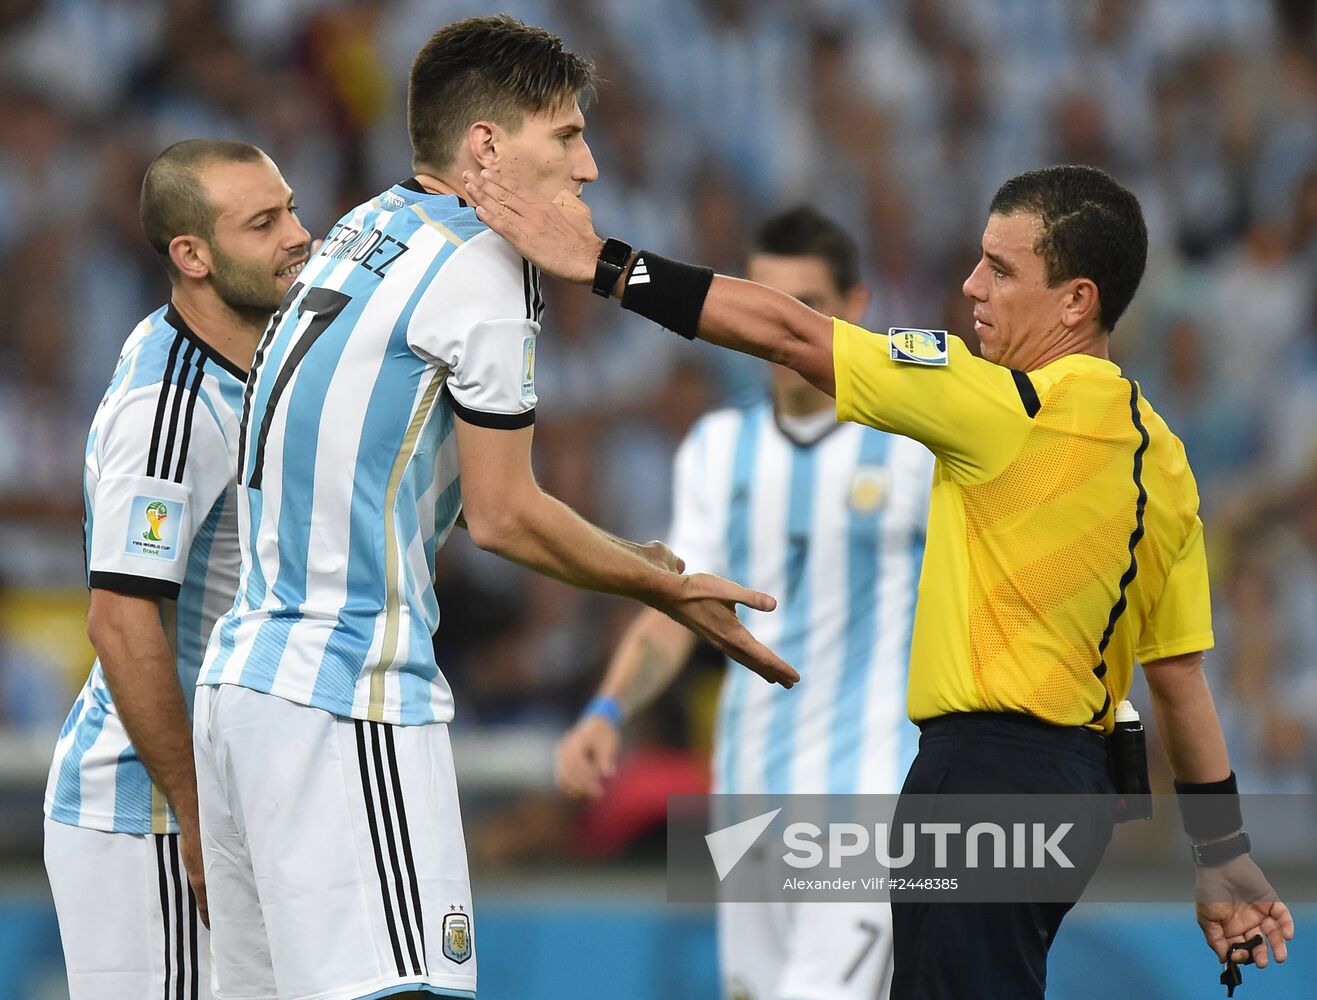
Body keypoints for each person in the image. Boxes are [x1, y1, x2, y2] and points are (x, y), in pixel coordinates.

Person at [462, 162, 1296, 997]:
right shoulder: (1167, 465)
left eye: (1000, 270)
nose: (970, 285)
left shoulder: (1007, 406)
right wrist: (1221, 854)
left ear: (1076, 301)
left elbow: (791, 334)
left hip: (981, 782)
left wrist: (609, 264)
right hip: (1068, 795)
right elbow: (1180, 680)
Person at [192, 16, 795, 1000]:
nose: (590, 166)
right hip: (347, 688)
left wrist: (618, 550)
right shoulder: (482, 263)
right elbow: (509, 513)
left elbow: (432, 479)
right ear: (485, 148)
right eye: (564, 136)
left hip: (243, 693)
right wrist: (668, 586)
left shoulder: (361, 228)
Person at [557, 205, 933, 1000]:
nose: (774, 328)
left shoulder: (913, 450)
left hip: (871, 796)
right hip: (748, 798)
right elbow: (676, 607)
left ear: (855, 308)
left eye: (805, 306)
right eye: (760, 301)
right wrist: (607, 712)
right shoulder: (716, 448)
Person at [43, 139, 310, 1000]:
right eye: (263, 223)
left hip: (231, 803)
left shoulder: (261, 359)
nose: (298, 236)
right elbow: (121, 618)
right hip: (151, 812)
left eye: (292, 209)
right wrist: (195, 816)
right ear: (190, 256)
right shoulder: (170, 406)